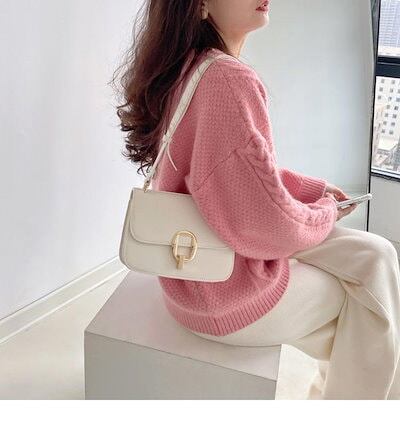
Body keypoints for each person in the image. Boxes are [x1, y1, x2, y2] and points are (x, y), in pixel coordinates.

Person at [113, 0, 400, 399]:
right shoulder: (228, 80)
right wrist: (324, 212)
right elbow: (267, 226)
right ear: (200, 5)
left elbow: (232, 176)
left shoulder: (191, 69)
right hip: (227, 294)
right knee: (371, 301)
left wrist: (312, 191)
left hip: (191, 273)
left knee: (376, 255)